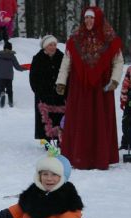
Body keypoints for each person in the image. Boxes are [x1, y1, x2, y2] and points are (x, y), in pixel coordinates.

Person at [56, 7, 123, 170]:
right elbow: (67, 61)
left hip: (102, 89)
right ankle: (79, 156)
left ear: (98, 19)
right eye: (86, 18)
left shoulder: (109, 39)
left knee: (100, 121)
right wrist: (61, 81)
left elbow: (118, 61)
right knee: (81, 120)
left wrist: (114, 80)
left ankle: (100, 156)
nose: (88, 21)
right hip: (80, 88)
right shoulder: (75, 39)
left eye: (91, 18)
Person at [29, 35, 66, 141]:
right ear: (45, 46)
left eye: (54, 45)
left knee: (59, 117)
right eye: (50, 45)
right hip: (43, 94)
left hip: (59, 94)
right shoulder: (38, 58)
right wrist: (38, 90)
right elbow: (33, 77)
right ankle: (46, 139)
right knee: (45, 119)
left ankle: (60, 138)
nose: (53, 47)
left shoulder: (61, 57)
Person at [0, 41, 24, 108]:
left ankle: (2, 94)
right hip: (9, 76)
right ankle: (10, 102)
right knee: (9, 90)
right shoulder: (12, 56)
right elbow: (17, 67)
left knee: (1, 88)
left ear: (4, 48)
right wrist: (23, 68)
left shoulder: (0, 55)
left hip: (1, 76)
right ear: (11, 48)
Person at [119, 66, 131, 150]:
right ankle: (126, 143)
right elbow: (125, 85)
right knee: (126, 122)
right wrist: (123, 100)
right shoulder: (130, 70)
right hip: (129, 101)